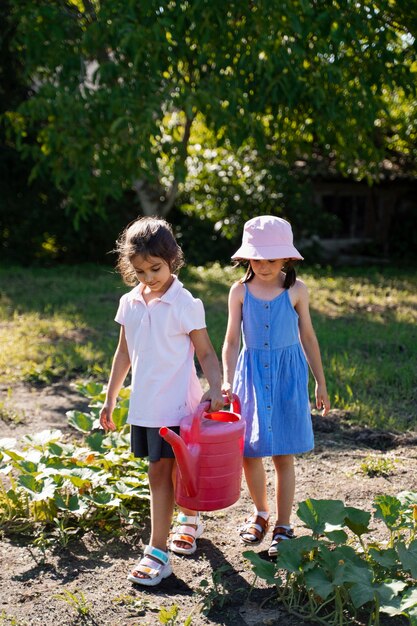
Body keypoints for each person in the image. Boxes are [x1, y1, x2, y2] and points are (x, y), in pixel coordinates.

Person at [100, 216, 223, 586]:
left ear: (173, 259)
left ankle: (163, 545)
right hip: (146, 406)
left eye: (155, 268)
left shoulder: (185, 303)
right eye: (139, 271)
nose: (149, 277)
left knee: (171, 471)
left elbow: (206, 354)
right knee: (159, 472)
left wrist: (216, 387)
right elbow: (123, 353)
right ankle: (177, 530)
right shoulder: (130, 303)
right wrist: (110, 398)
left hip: (178, 406)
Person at [222, 215, 330, 557]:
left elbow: (308, 337)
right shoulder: (239, 291)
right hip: (251, 376)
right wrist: (226, 378)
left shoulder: (296, 290)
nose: (264, 265)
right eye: (256, 258)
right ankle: (261, 513)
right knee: (249, 450)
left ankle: (283, 523)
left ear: (287, 258)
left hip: (287, 376)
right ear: (246, 258)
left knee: (283, 452)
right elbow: (230, 340)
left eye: (271, 258)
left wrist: (320, 382)